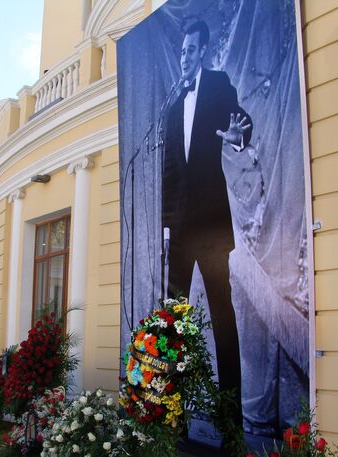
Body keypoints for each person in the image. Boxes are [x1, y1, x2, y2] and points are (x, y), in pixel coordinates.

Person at [162, 20, 252, 398]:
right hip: (180, 229)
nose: (184, 57)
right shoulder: (172, 104)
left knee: (221, 313)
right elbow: (169, 170)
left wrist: (237, 138)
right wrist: (167, 229)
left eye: (191, 51)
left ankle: (230, 408)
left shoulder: (217, 84)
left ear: (203, 52)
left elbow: (242, 121)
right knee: (173, 320)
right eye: (181, 51)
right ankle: (173, 408)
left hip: (212, 226)